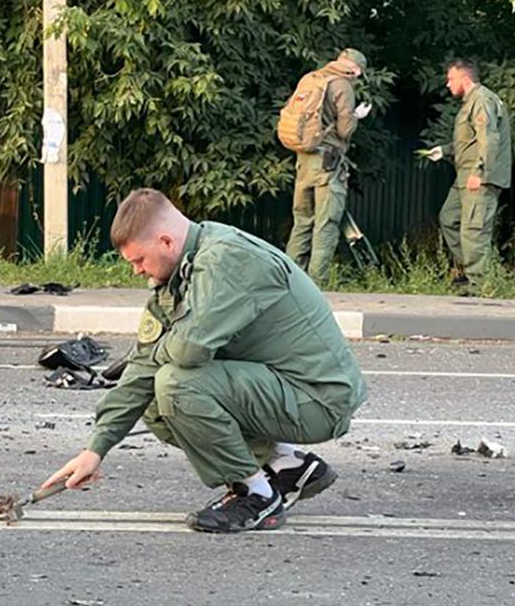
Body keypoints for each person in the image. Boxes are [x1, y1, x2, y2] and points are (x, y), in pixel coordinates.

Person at [43, 189, 367, 533]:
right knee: (153, 395)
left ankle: (256, 495)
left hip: (318, 399)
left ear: (166, 241)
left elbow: (187, 351)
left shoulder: (226, 260)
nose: (137, 271)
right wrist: (95, 449)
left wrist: (157, 354)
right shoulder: (181, 272)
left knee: (176, 383)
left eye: (139, 261)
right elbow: (142, 365)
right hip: (282, 387)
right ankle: (285, 464)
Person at [421, 58, 511, 292]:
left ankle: (478, 287)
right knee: (449, 218)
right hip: (464, 177)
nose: (448, 84)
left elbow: (489, 140)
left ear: (465, 78)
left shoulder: (481, 100)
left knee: (474, 230)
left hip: (478, 178)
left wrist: (480, 173)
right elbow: (469, 140)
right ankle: (468, 271)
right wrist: (444, 151)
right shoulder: (471, 102)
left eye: (451, 79)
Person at [284, 48, 373, 282]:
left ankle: (290, 281)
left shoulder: (311, 78)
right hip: (328, 163)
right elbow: (345, 130)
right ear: (354, 69)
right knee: (327, 223)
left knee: (302, 221)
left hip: (304, 158)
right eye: (359, 73)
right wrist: (356, 116)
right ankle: (317, 283)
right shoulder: (343, 86)